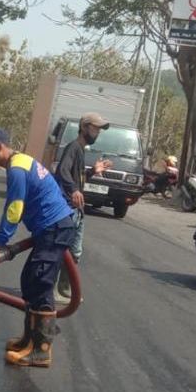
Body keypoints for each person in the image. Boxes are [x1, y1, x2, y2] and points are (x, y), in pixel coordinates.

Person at [0, 128, 78, 368]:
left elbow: (13, 212)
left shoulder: (17, 170)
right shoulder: (19, 162)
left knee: (40, 283)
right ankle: (29, 340)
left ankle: (41, 350)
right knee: (29, 281)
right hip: (49, 229)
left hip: (55, 228)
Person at [53, 112, 112, 298]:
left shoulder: (81, 149)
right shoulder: (73, 147)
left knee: (74, 252)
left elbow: (78, 178)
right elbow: (62, 171)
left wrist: (94, 171)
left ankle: (63, 288)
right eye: (95, 129)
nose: (97, 133)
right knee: (62, 250)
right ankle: (53, 290)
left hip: (77, 210)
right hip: (67, 208)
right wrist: (74, 190)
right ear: (85, 127)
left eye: (99, 130)